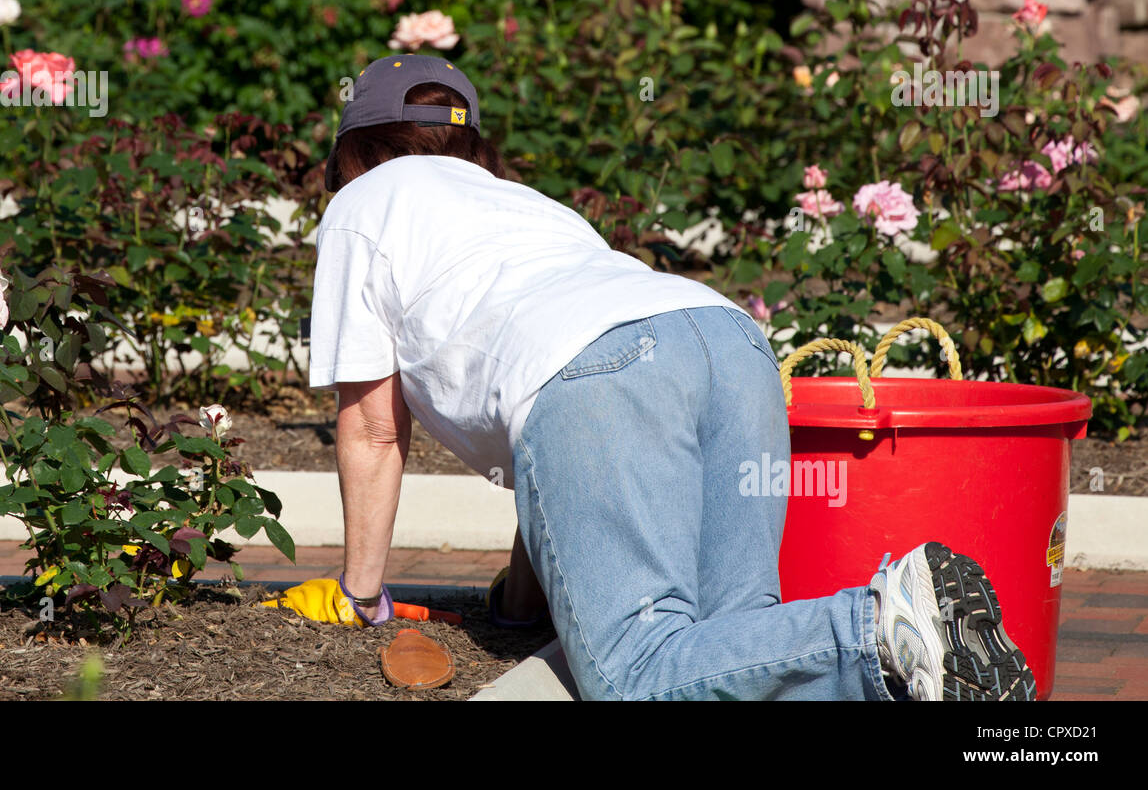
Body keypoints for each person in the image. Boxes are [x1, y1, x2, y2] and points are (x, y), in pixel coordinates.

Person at [307, 53, 1036, 701]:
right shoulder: (527, 206)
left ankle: (878, 623)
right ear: (470, 146)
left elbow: (375, 427)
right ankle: (920, 650)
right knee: (738, 651)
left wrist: (361, 596)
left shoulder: (363, 202)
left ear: (356, 153)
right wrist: (521, 606)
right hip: (723, 338)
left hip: (597, 371)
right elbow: (549, 438)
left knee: (632, 674)